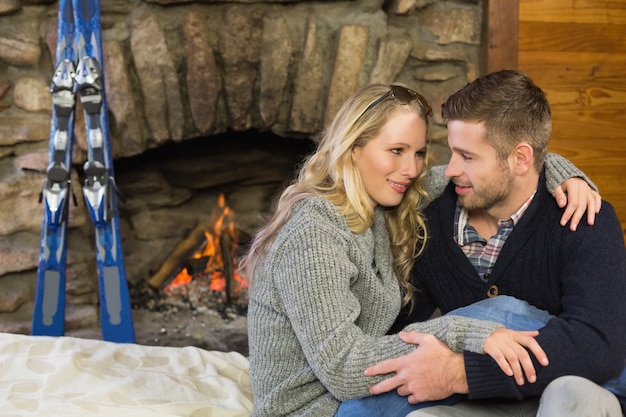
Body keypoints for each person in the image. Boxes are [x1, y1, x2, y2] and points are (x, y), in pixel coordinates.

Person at [242, 82, 600, 417]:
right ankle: (607, 367)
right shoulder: (314, 230)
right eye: (396, 151)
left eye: (419, 152)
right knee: (498, 315)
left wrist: (566, 175)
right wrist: (464, 333)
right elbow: (344, 369)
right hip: (321, 408)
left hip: (357, 395)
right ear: (354, 149)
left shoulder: (390, 195)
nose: (411, 169)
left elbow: (497, 165)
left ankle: (600, 368)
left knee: (502, 370)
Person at [365, 70, 626, 416]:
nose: (452, 169)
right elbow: (401, 327)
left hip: (570, 387)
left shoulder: (583, 218)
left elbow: (597, 344)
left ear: (520, 159)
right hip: (485, 404)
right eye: (452, 152)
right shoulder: (428, 223)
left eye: (468, 157)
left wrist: (461, 372)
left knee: (571, 395)